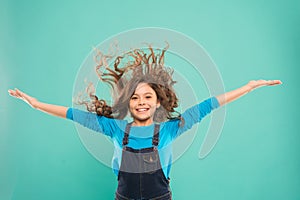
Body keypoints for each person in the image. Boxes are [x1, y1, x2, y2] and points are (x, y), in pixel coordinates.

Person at [8, 46, 282, 200]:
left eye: (148, 96)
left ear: (158, 102)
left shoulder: (170, 129)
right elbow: (72, 114)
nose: (141, 102)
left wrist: (249, 87)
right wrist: (35, 103)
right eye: (136, 97)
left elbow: (208, 105)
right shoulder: (114, 128)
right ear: (128, 102)